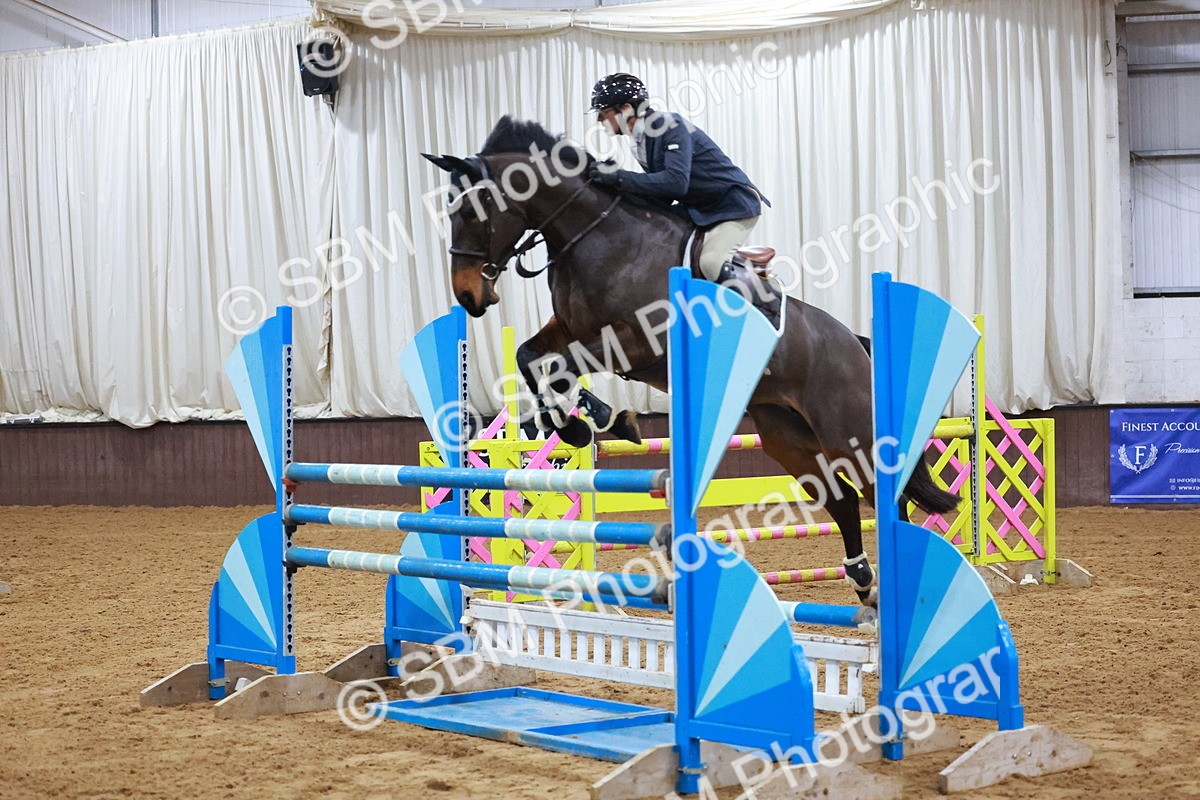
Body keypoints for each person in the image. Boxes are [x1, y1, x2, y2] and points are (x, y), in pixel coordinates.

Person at [586, 72, 781, 324]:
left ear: (625, 109)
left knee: (710, 263)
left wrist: (619, 178)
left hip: (733, 205)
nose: (600, 118)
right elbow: (660, 195)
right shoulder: (640, 139)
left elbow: (675, 184)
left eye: (603, 111)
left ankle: (767, 306)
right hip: (699, 207)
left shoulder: (670, 126)